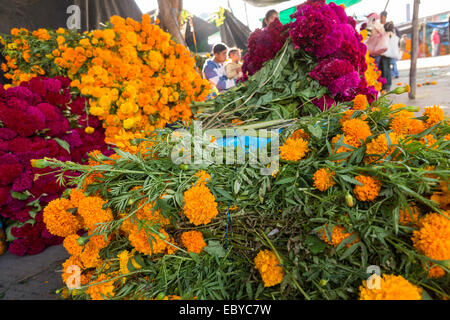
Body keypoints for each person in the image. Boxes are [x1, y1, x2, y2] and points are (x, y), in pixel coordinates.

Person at [380, 22, 400, 91]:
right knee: (386, 70)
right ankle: (386, 85)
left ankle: (386, 85)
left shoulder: (388, 35)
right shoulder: (393, 35)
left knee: (386, 71)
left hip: (386, 55)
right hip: (389, 55)